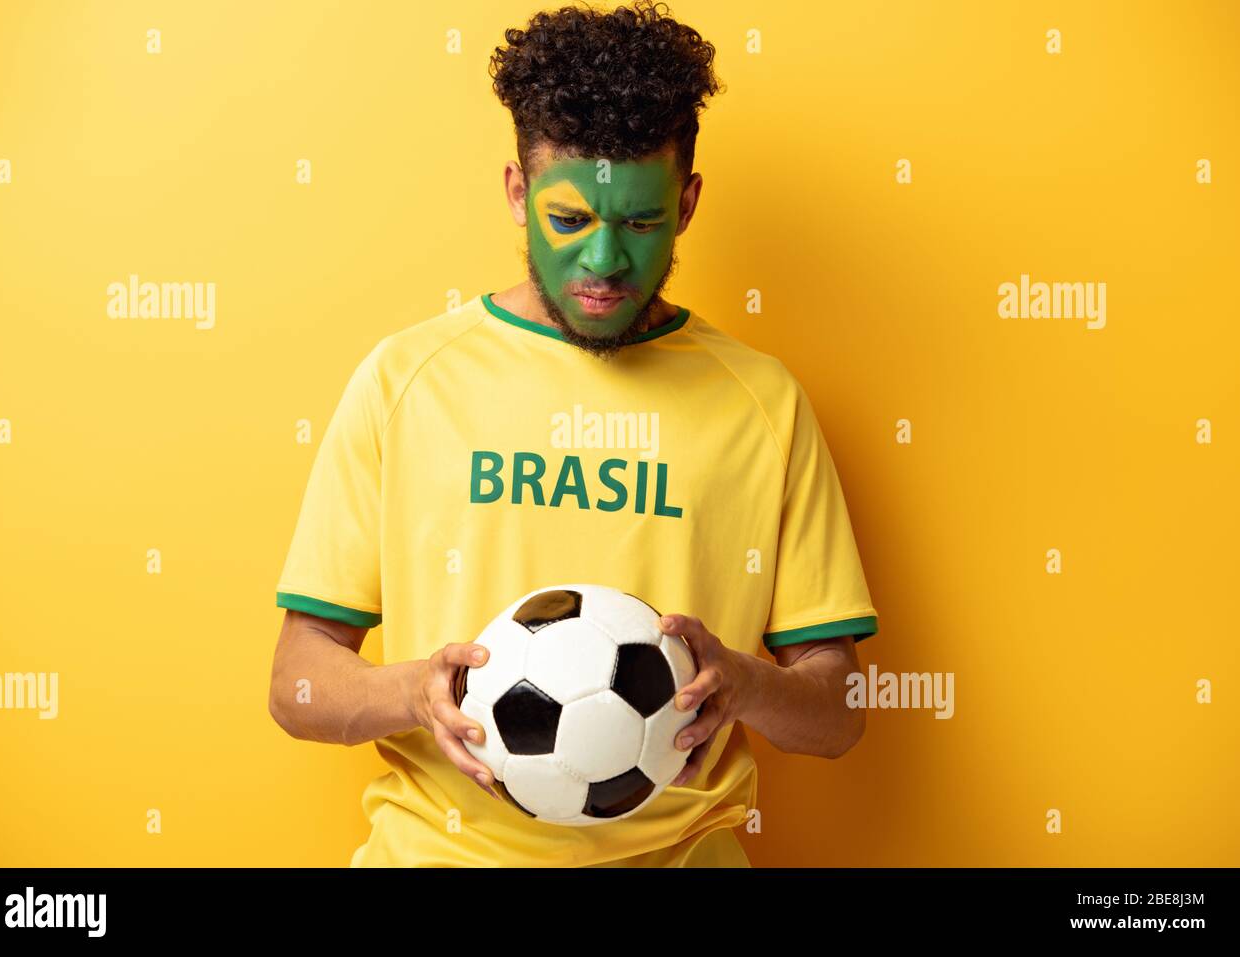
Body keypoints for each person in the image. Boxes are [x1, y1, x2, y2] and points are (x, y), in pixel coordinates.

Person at [268, 0, 879, 867]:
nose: (602, 263)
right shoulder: (407, 380)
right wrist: (415, 691)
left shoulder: (762, 402)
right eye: (568, 221)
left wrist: (746, 684)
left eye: (639, 222)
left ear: (688, 202)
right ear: (518, 193)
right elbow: (296, 683)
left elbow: (838, 715)